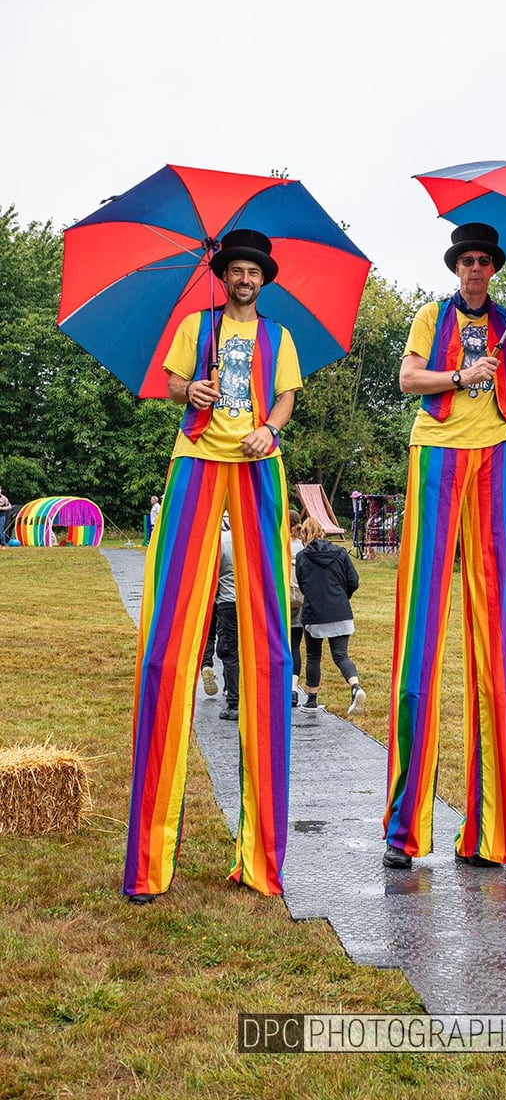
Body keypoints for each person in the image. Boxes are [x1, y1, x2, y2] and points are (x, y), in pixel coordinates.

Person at [382, 221, 506, 870]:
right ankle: (403, 834)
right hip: (435, 454)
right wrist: (461, 375)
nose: (475, 270)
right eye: (467, 260)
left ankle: (488, 835)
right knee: (421, 631)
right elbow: (408, 381)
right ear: (455, 267)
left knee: (492, 631)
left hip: (494, 455)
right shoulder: (429, 316)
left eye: (484, 262)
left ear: (495, 270)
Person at [123, 228, 302, 903]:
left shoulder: (279, 337)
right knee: (168, 639)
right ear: (223, 275)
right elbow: (169, 382)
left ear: (264, 279)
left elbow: (285, 397)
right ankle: (149, 860)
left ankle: (259, 857)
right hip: (196, 461)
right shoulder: (195, 325)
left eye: (255, 271)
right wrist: (188, 392)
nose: (246, 279)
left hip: (258, 466)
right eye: (237, 270)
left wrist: (272, 428)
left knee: (266, 637)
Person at [295, 516, 366, 715]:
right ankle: (355, 687)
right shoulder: (341, 553)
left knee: (313, 656)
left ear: (304, 535)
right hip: (340, 610)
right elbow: (353, 580)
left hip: (314, 613)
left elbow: (303, 585)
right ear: (323, 531)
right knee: (341, 655)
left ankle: (311, 699)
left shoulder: (302, 557)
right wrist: (343, 597)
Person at [214, 513, 239, 721]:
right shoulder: (253, 537)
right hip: (252, 603)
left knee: (229, 652)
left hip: (228, 602)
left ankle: (234, 702)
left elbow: (215, 572)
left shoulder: (223, 541)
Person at [288, 509, 304, 708]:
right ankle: (293, 688)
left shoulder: (278, 546)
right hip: (300, 601)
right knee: (295, 646)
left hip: (280, 601)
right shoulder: (303, 548)